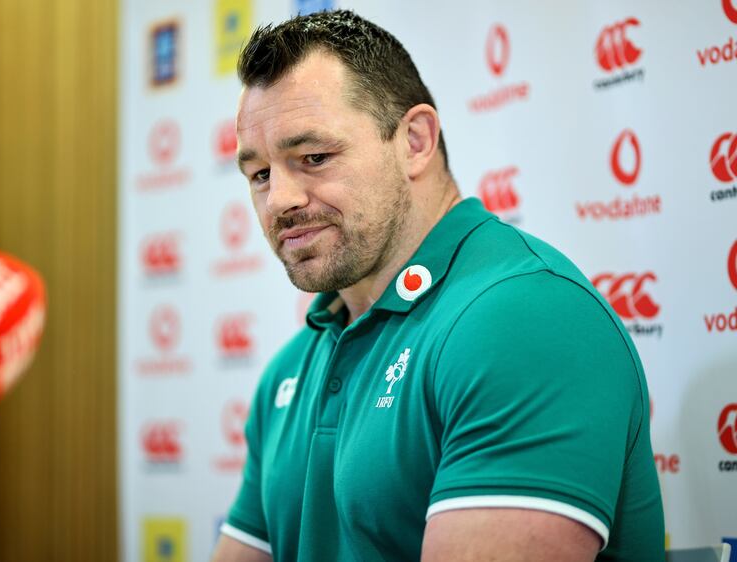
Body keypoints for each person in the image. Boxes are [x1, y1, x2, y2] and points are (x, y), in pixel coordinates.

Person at [211, 10, 664, 562]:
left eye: (314, 157)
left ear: (416, 141)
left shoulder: (526, 318)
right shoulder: (289, 369)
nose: (279, 199)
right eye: (259, 174)